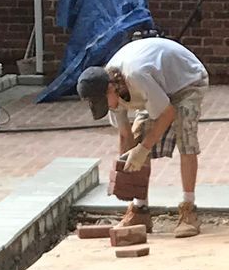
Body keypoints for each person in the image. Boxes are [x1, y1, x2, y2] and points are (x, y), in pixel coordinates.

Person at [78, 35, 210, 235]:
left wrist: (144, 149)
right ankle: (140, 210)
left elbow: (167, 114)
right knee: (139, 135)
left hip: (187, 81)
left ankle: (189, 209)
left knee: (186, 135)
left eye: (105, 101)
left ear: (111, 88)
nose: (109, 107)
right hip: (158, 84)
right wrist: (126, 168)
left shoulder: (136, 76)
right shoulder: (109, 87)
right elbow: (125, 135)